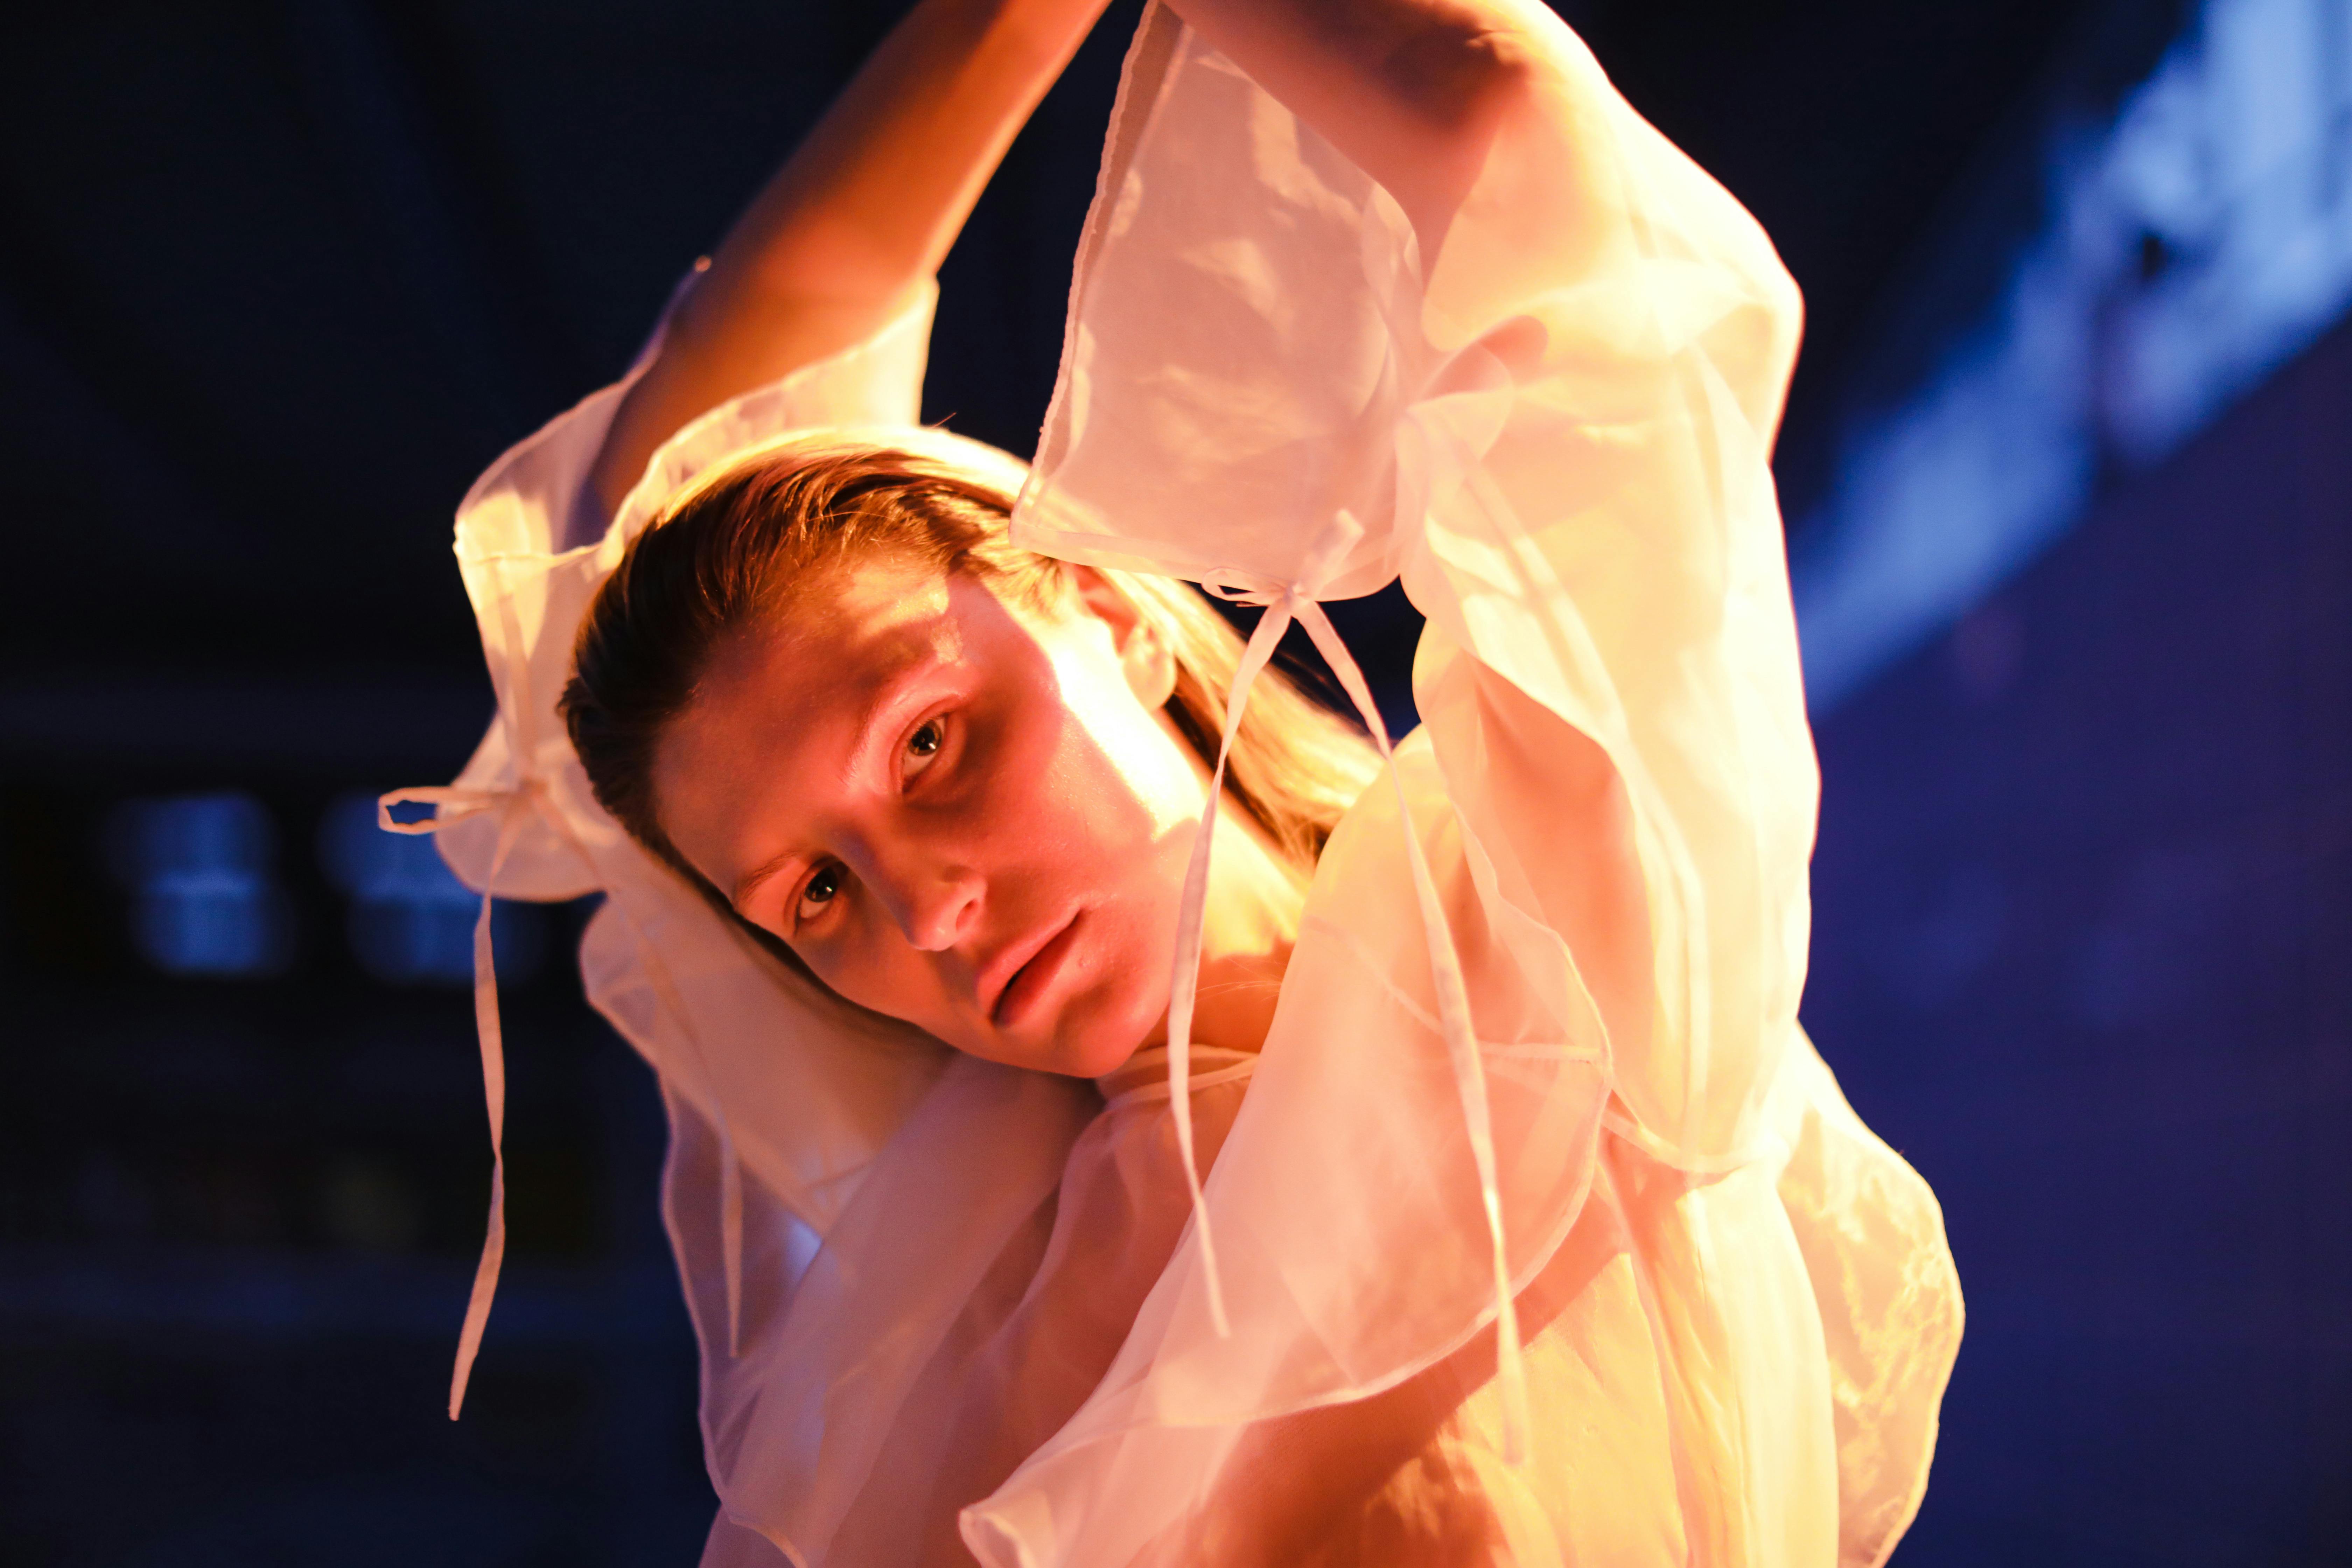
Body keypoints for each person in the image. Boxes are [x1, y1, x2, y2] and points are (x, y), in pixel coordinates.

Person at [391, 0, 1965, 1563]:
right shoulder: (972, 1216)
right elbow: (608, 589)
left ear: (1114, 606)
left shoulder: (1559, 950)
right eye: (817, 890)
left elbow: (1525, 169)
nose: (930, 911)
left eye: (929, 742)